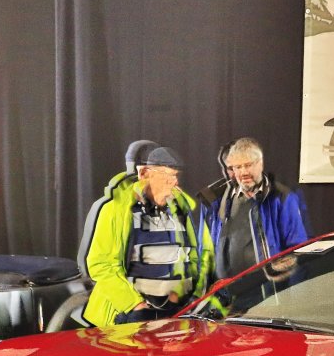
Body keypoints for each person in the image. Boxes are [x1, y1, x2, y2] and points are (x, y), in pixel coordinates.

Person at [84, 142, 214, 328]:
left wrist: (186, 296)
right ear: (144, 174)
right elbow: (100, 264)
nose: (174, 183)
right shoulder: (115, 210)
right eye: (167, 177)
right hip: (130, 315)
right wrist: (135, 306)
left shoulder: (180, 209)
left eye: (175, 176)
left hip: (177, 314)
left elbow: (192, 256)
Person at [200, 137, 311, 280]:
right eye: (237, 167)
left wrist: (280, 273)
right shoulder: (219, 199)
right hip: (227, 289)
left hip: (267, 288)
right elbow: (208, 248)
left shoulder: (281, 197)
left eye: (248, 165)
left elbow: (298, 249)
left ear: (260, 163)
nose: (243, 172)